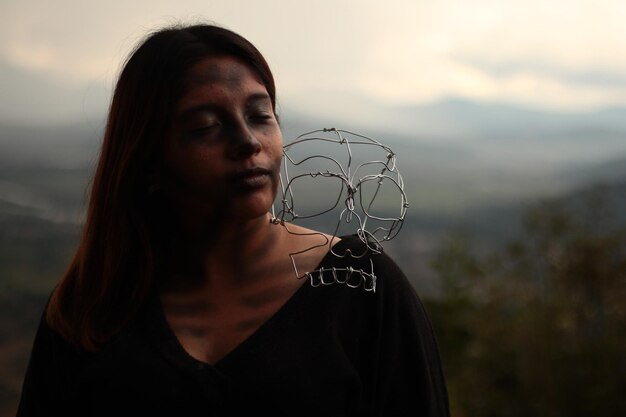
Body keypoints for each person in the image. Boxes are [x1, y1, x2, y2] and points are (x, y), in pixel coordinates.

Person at [16, 22, 450, 416]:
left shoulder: (361, 287)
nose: (247, 142)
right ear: (147, 163)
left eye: (261, 116)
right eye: (206, 126)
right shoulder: (90, 309)